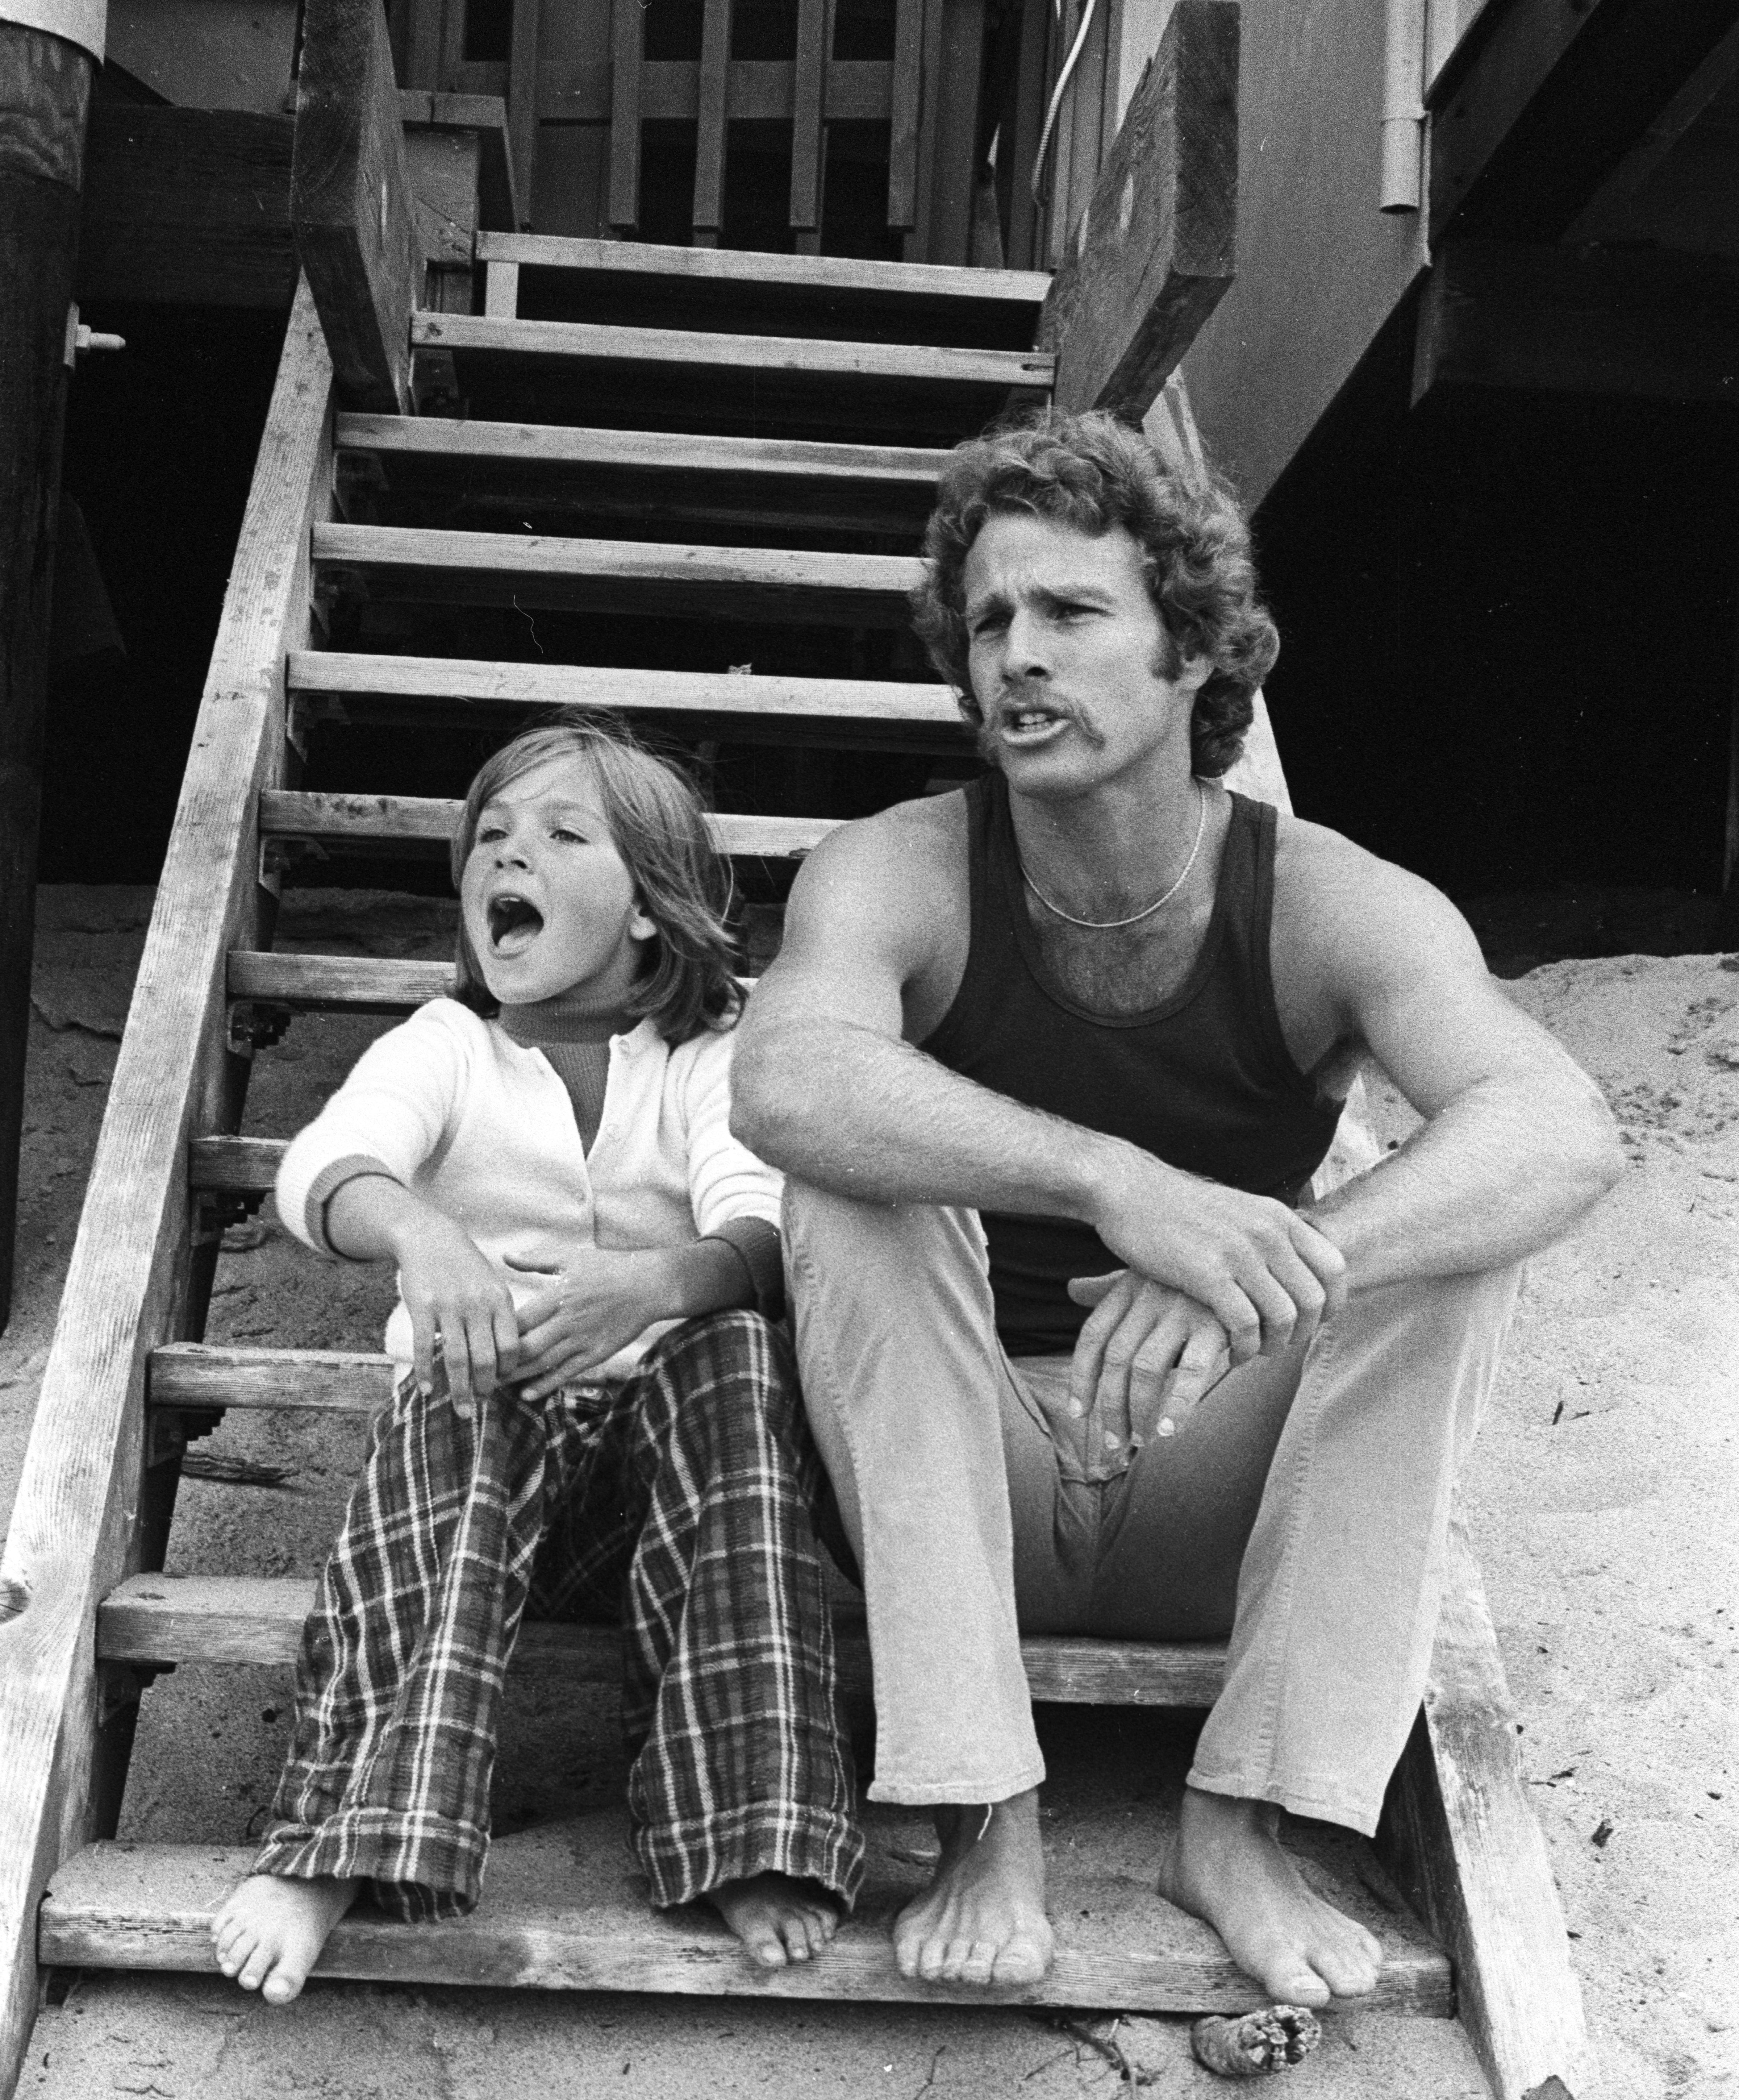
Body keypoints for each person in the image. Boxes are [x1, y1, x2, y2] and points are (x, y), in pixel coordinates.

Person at [731, 412, 1622, 2005]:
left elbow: (1561, 1128)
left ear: (1195, 652)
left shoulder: (1329, 898)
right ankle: (981, 1810)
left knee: (1455, 1263)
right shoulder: (904, 868)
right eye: (991, 621)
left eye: (1071, 615)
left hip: (1209, 1474)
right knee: (853, 1187)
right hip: (963, 1479)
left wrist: (1263, 1272)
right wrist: (1120, 1186)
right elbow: (784, 1082)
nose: (1018, 656)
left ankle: (1241, 1821)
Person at [213, 711, 859, 2004]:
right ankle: (344, 1834)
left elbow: (767, 1224)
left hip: (664, 1505)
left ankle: (746, 1825)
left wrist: (663, 1283)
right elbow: (326, 1168)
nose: (513, 856)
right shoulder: (445, 1046)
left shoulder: (711, 1049)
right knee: (470, 1373)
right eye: (492, 838)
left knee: (735, 1354)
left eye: (564, 836)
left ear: (644, 911)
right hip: (477, 1497)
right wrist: (419, 1233)